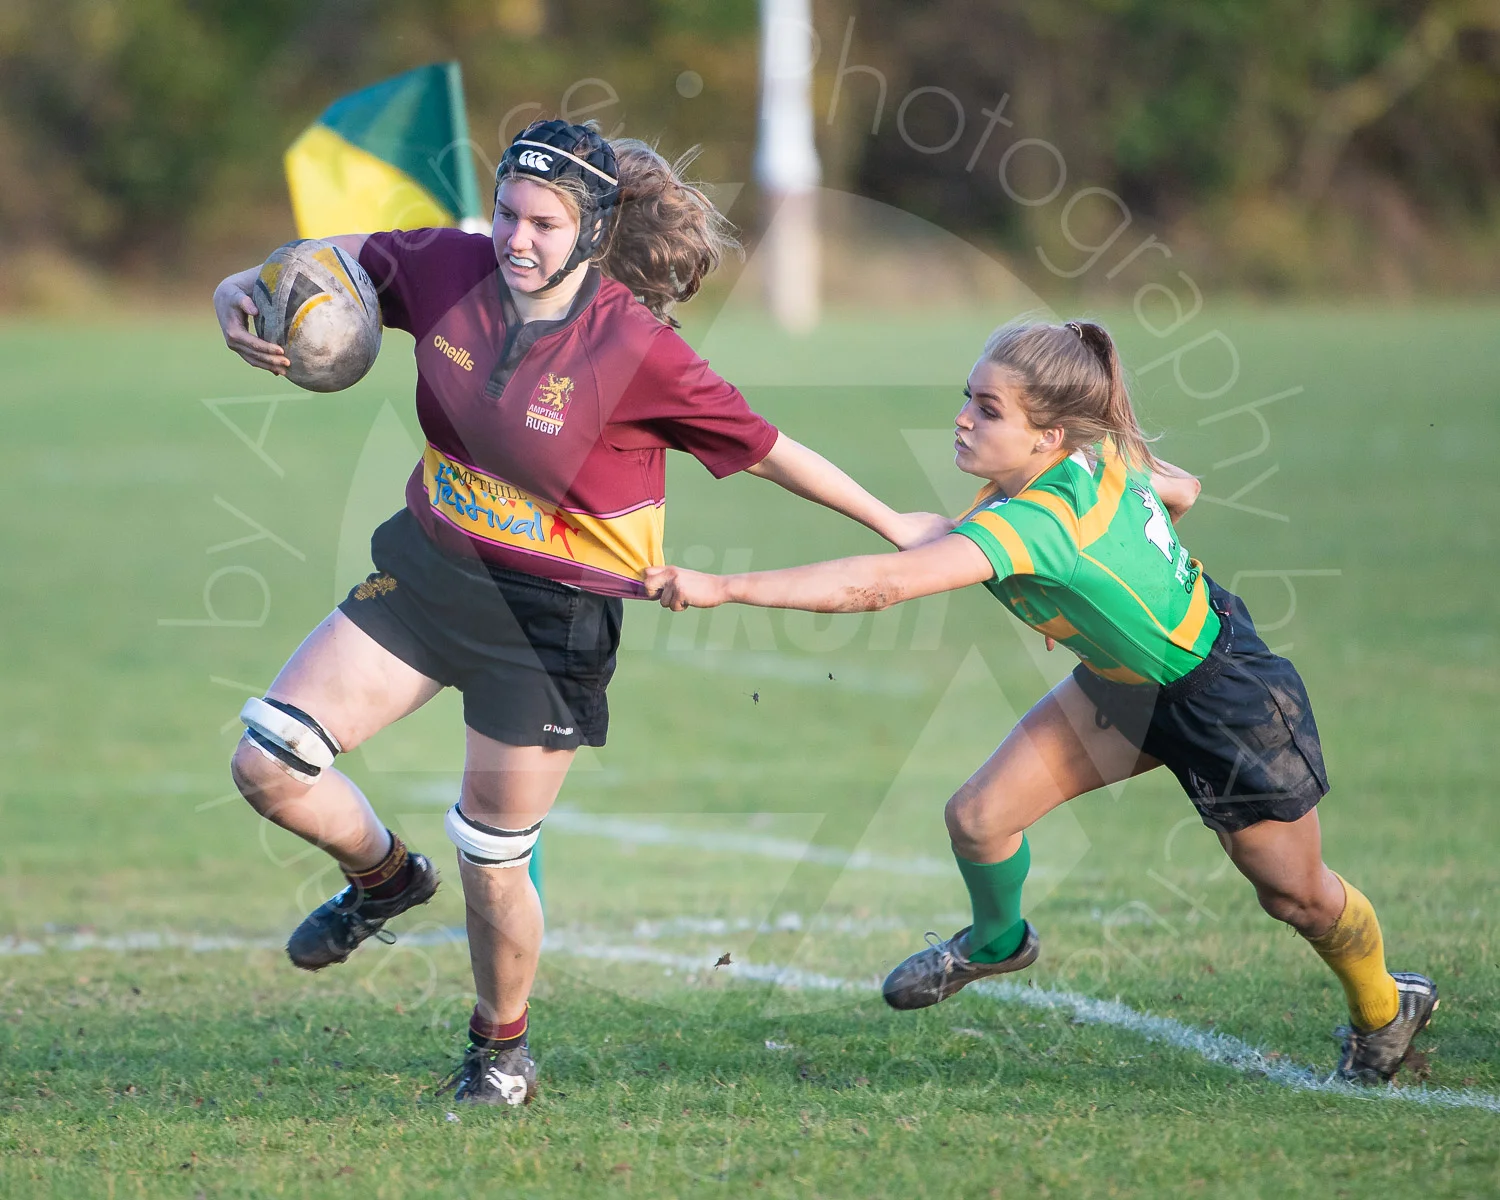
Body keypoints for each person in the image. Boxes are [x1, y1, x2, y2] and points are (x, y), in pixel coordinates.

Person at [213, 120, 949, 1106]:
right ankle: (386, 879)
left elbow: (769, 447)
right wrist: (239, 294)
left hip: (549, 628)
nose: (516, 239)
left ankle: (499, 1050)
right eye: (508, 214)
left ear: (593, 231)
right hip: (431, 575)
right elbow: (318, 265)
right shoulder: (448, 264)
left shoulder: (637, 351)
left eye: (544, 225)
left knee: (492, 859)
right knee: (269, 760)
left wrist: (891, 518)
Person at [645, 318, 1437, 1084]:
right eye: (968, 397)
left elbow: (879, 586)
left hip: (1220, 695)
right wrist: (1107, 597)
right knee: (979, 818)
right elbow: (1181, 490)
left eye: (988, 411)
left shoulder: (1040, 522)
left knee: (1295, 897)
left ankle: (1386, 1008)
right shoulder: (1081, 462)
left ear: (1049, 437)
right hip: (1123, 690)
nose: (961, 420)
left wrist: (721, 585)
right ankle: (997, 943)